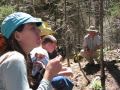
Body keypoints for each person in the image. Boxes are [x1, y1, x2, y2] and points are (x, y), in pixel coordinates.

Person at [0, 12, 63, 90]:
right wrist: (49, 74)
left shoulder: (12, 58)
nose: (39, 32)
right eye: (32, 28)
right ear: (17, 36)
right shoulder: (15, 59)